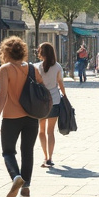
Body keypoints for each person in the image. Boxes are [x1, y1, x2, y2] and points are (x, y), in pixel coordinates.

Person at [0, 36, 44, 197]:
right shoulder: (32, 69)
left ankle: (16, 177)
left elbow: (3, 94)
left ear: (6, 52)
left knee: (8, 152)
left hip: (11, 117)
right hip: (31, 116)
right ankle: (26, 188)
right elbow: (41, 90)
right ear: (22, 51)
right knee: (27, 152)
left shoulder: (5, 69)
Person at [34, 42, 66, 170]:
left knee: (41, 131)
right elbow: (60, 83)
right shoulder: (58, 67)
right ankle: (50, 158)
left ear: (42, 53)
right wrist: (65, 95)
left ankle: (45, 156)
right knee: (50, 131)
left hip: (41, 102)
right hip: (55, 101)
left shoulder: (36, 67)